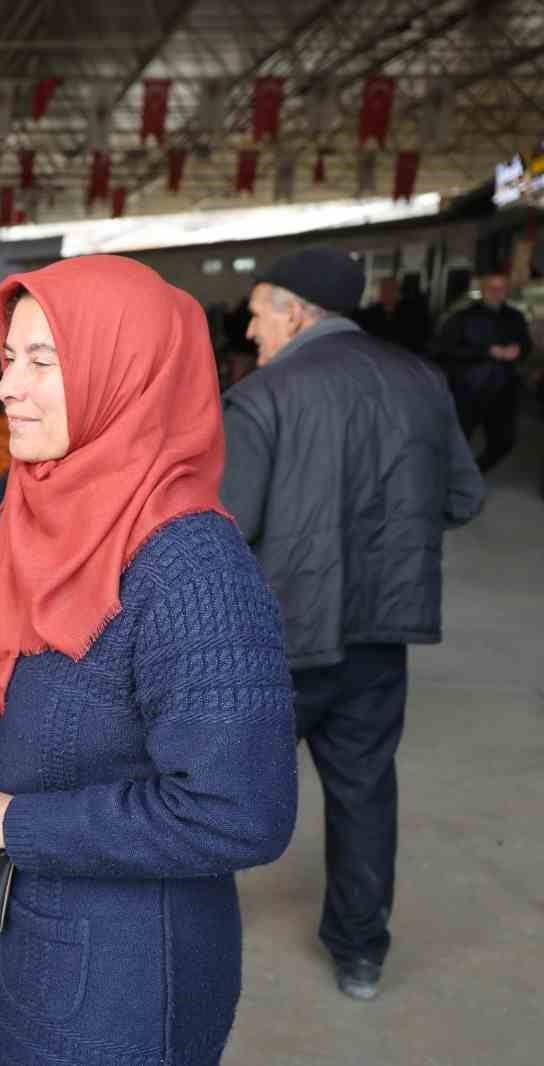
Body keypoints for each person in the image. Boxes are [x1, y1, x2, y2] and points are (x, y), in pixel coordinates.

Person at [0, 256, 297, 1066]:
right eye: (10, 358)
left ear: (126, 374)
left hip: (119, 992)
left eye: (44, 361)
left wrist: (14, 820)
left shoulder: (190, 566)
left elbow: (240, 810)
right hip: (24, 948)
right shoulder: (50, 508)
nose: (6, 387)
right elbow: (18, 680)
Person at [225, 247, 485, 1001]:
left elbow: (226, 526)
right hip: (380, 633)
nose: (247, 328)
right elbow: (462, 500)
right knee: (365, 790)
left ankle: (189, 936)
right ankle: (361, 953)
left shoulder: (266, 396)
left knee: (218, 789)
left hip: (280, 640)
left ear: (296, 312)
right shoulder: (421, 382)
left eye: (257, 309)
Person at [435, 269, 533, 471]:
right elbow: (444, 349)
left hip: (503, 389)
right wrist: (488, 351)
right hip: (469, 388)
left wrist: (519, 350)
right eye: (492, 287)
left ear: (507, 291)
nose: (497, 292)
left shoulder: (515, 316)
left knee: (504, 440)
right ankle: (443, 480)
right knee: (456, 441)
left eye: (502, 288)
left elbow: (526, 343)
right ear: (483, 289)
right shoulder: (462, 317)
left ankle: (475, 472)